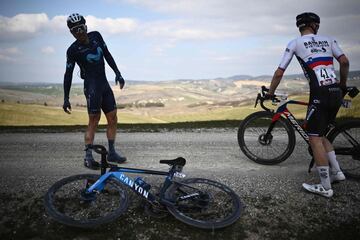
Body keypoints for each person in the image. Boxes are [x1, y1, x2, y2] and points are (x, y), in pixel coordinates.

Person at [266, 12, 349, 197]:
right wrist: (342, 85)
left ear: (300, 26)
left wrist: (270, 92)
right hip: (335, 91)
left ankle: (326, 187)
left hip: (320, 94)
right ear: (314, 25)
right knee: (320, 134)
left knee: (314, 138)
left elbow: (280, 72)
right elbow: (344, 61)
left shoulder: (295, 43)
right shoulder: (329, 40)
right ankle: (337, 173)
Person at [63, 13, 127, 169]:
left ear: (86, 26)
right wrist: (66, 97)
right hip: (92, 88)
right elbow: (68, 74)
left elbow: (107, 54)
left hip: (104, 85)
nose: (79, 32)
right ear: (71, 32)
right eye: (75, 30)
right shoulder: (72, 50)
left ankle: (111, 152)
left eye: (81, 28)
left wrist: (118, 73)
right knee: (94, 120)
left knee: (113, 118)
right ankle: (88, 157)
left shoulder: (97, 36)